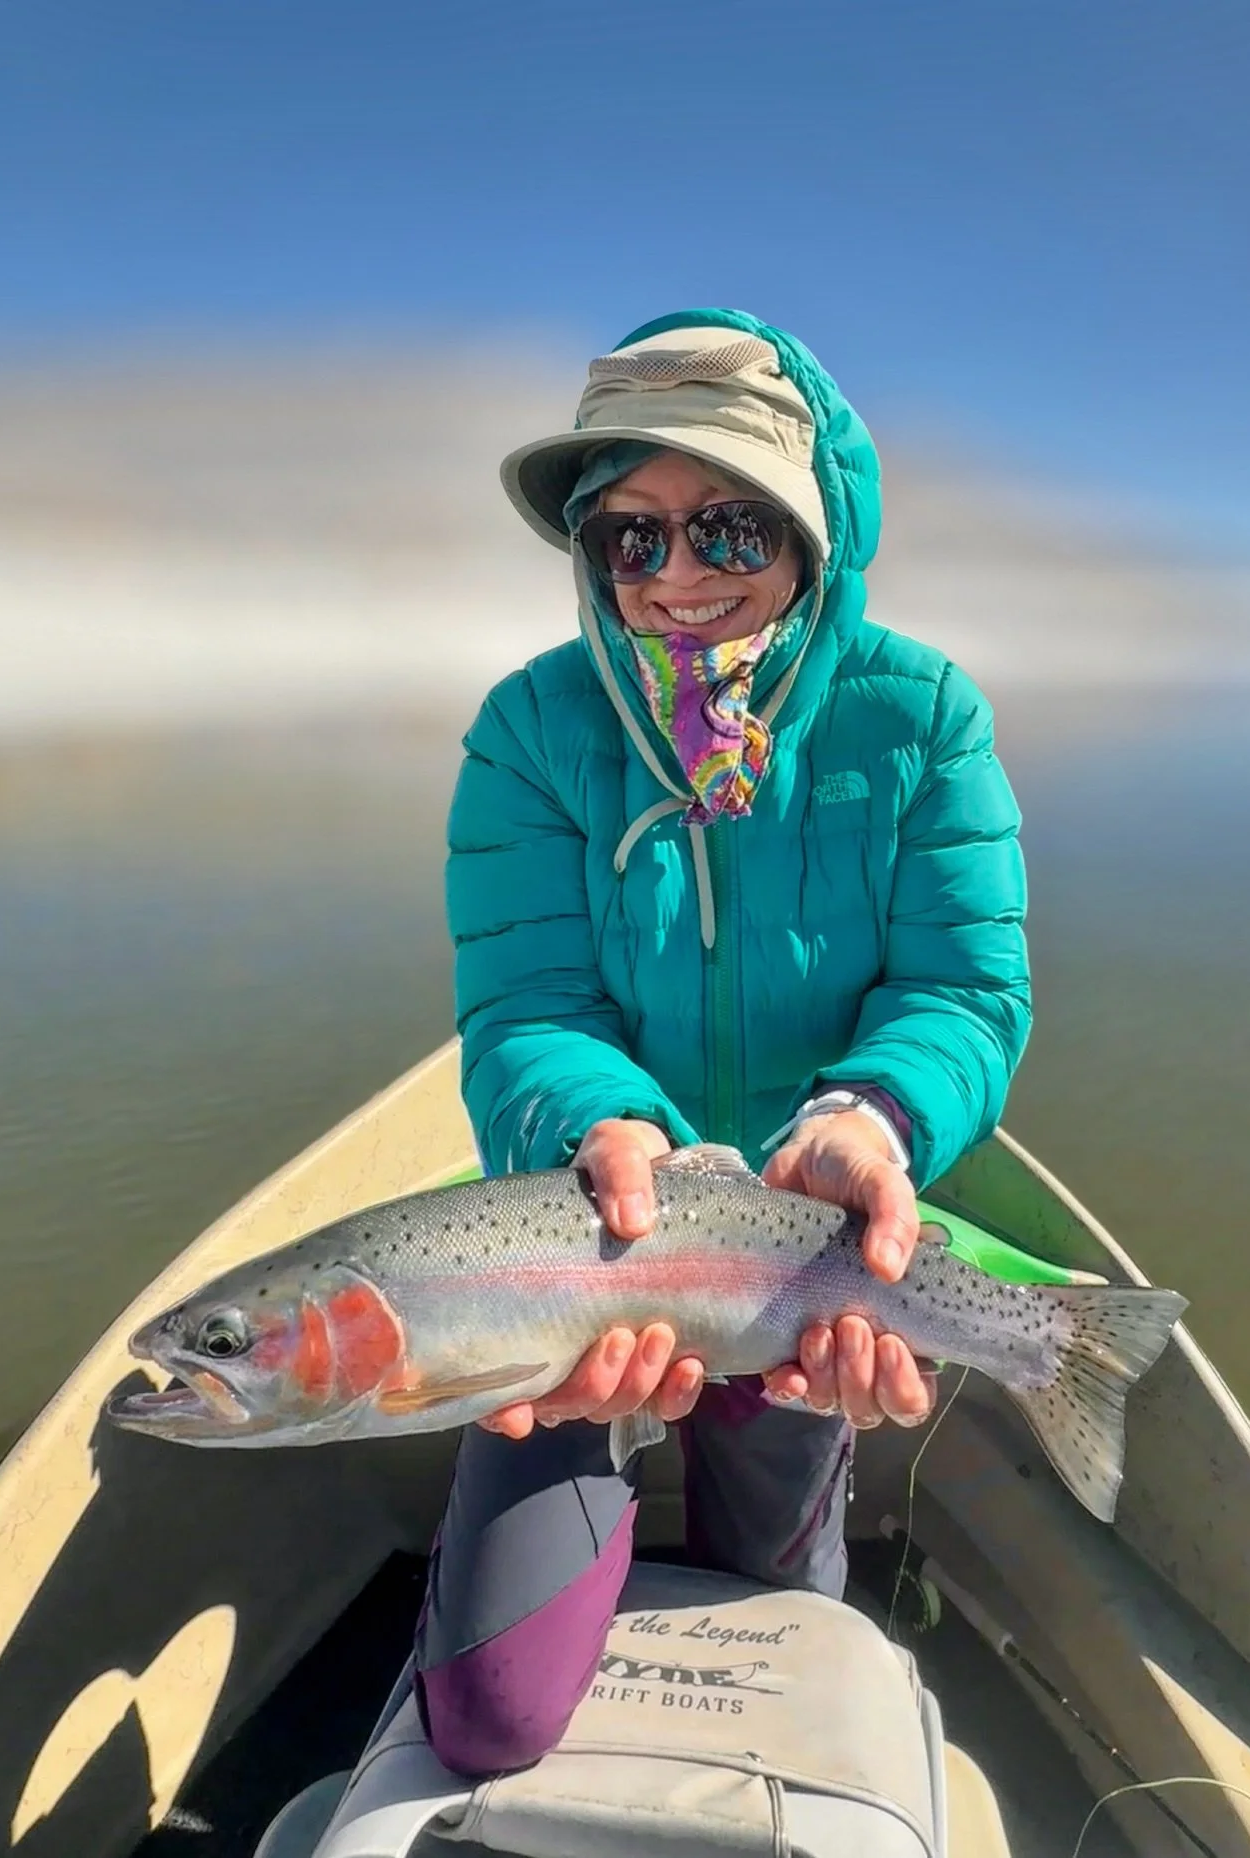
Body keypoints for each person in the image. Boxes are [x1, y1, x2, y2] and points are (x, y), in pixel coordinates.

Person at [414, 309, 1031, 1774]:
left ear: (814, 534)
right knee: (487, 1717)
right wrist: (602, 1125)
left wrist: (876, 1117)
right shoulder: (527, 728)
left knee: (778, 1582)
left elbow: (967, 989)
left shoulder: (923, 716)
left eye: (730, 529)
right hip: (579, 1242)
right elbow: (527, 1005)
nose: (676, 579)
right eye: (630, 538)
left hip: (807, 1237)